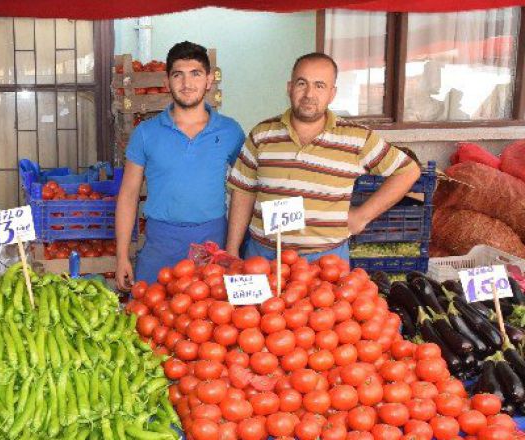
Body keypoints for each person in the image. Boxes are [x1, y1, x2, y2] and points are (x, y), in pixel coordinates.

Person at [226, 52, 421, 262]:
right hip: (263, 256)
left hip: (326, 259)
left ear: (332, 93)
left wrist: (361, 216)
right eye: (302, 83)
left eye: (320, 85)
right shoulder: (262, 134)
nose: (309, 93)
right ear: (289, 88)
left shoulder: (357, 137)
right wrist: (231, 249)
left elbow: (408, 171)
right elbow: (243, 191)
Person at [115, 41, 245, 289]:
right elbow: (129, 194)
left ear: (209, 80)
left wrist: (233, 248)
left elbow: (244, 189)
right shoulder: (146, 133)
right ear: (167, 82)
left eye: (195, 74)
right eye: (178, 75)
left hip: (214, 241)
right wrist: (122, 256)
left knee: (210, 321)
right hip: (160, 242)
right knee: (150, 317)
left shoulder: (230, 130)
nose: (187, 84)